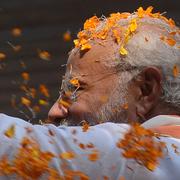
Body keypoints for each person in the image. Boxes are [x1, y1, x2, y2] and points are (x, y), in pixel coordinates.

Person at [0, 7, 180, 180]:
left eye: (76, 89)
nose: (53, 112)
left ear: (145, 90)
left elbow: (12, 145)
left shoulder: (142, 157)